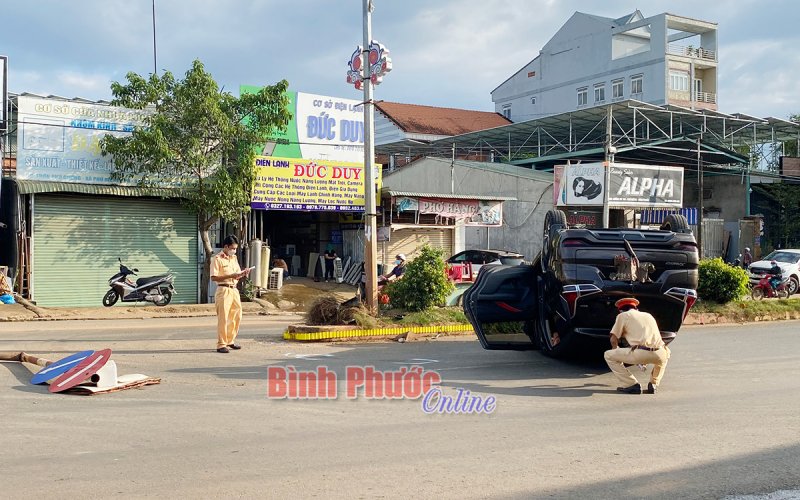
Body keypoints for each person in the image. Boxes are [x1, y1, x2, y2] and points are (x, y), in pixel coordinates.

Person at [603, 297, 669, 395]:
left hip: (640, 353)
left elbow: (613, 339)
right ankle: (654, 384)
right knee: (665, 355)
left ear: (621, 310)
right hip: (660, 351)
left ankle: (631, 385)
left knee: (608, 355)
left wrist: (615, 349)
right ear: (636, 308)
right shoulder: (648, 315)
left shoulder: (623, 315)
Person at [210, 235, 250, 353]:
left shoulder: (234, 258)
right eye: (232, 248)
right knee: (224, 318)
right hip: (223, 289)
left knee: (236, 316)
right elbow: (214, 277)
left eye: (235, 248)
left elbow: (236, 274)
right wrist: (230, 276)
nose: (234, 251)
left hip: (234, 289)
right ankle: (221, 344)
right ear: (226, 247)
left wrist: (243, 273)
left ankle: (230, 341)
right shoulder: (217, 259)